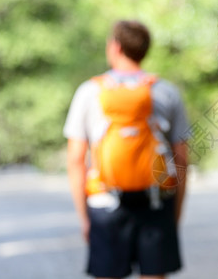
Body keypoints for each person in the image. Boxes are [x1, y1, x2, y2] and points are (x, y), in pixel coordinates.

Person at [64, 20, 190, 279]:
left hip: (104, 204)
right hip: (156, 201)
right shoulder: (166, 91)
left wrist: (84, 218)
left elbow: (76, 160)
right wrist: (174, 215)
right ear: (145, 50)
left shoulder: (89, 92)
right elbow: (182, 158)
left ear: (115, 47)